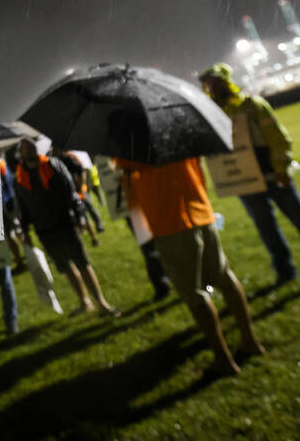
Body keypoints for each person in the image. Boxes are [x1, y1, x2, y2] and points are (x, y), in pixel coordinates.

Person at [118, 157, 266, 378]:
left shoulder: (128, 143)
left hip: (169, 221)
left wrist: (142, 230)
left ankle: (223, 359)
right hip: (199, 210)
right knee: (224, 276)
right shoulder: (178, 126)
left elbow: (131, 189)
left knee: (193, 292)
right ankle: (250, 341)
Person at [199, 63, 300, 286]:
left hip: (274, 176)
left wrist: (282, 168)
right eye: (208, 85)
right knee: (267, 230)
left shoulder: (252, 106)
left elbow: (278, 137)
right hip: (247, 183)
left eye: (216, 82)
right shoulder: (212, 116)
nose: (212, 88)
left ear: (227, 82)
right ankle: (285, 272)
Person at [14, 139, 119, 316]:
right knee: (65, 267)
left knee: (82, 263)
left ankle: (102, 302)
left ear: (35, 148)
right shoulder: (20, 177)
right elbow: (22, 205)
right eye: (24, 149)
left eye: (30, 147)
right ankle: (85, 302)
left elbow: (70, 191)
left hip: (64, 223)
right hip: (44, 229)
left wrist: (79, 216)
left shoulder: (53, 165)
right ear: (20, 153)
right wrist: (24, 229)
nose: (27, 151)